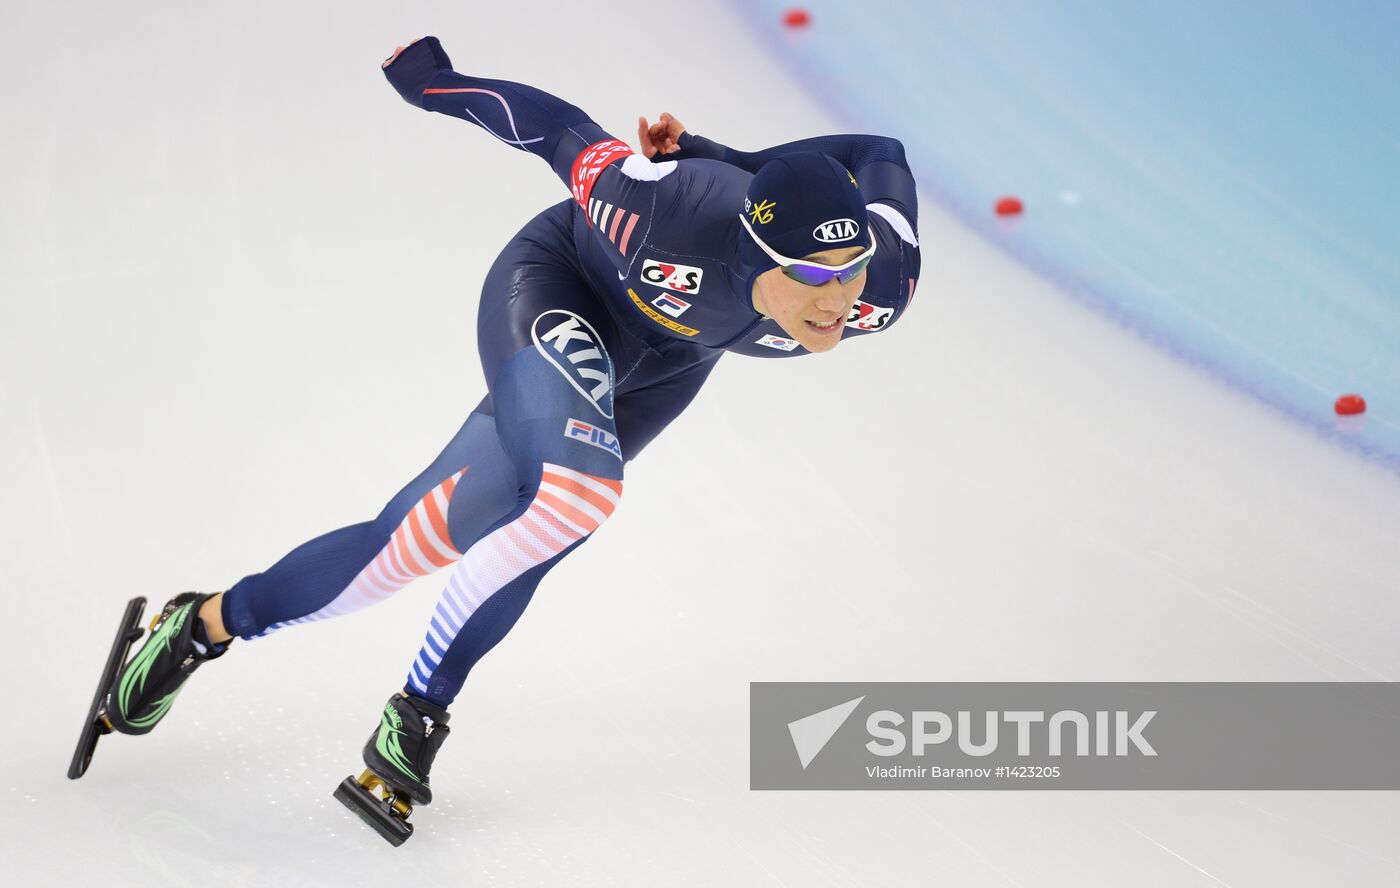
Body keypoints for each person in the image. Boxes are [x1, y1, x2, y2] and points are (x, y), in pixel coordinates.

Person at [79, 35, 921, 842]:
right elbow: (555, 128)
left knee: (407, 549)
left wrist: (723, 149)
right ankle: (418, 713)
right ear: (750, 254)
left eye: (848, 271)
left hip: (669, 365)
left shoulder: (883, 282)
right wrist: (431, 82)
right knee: (572, 496)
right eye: (809, 275)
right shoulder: (658, 206)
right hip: (561, 289)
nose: (836, 301)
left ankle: (198, 625)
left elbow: (880, 146)